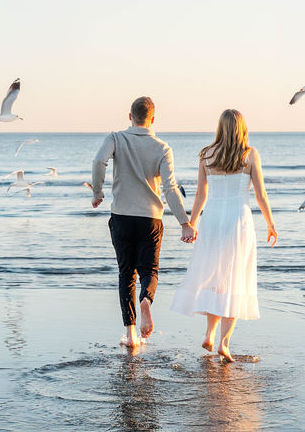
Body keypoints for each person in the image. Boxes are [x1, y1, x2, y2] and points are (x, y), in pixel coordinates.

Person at [170, 109, 278, 362]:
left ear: (220, 127)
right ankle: (224, 343)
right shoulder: (249, 154)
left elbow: (200, 194)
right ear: (242, 127)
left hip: (212, 220)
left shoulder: (207, 154)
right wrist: (271, 224)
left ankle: (209, 334)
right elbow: (261, 194)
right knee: (235, 279)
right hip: (238, 220)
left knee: (215, 277)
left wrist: (192, 223)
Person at [92, 96, 195, 349]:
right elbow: (170, 189)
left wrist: (97, 191)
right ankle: (146, 300)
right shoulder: (162, 148)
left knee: (126, 274)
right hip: (151, 218)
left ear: (130, 116)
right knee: (150, 271)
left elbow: (99, 162)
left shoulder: (115, 138)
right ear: (153, 119)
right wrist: (184, 222)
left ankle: (130, 335)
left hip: (122, 216)